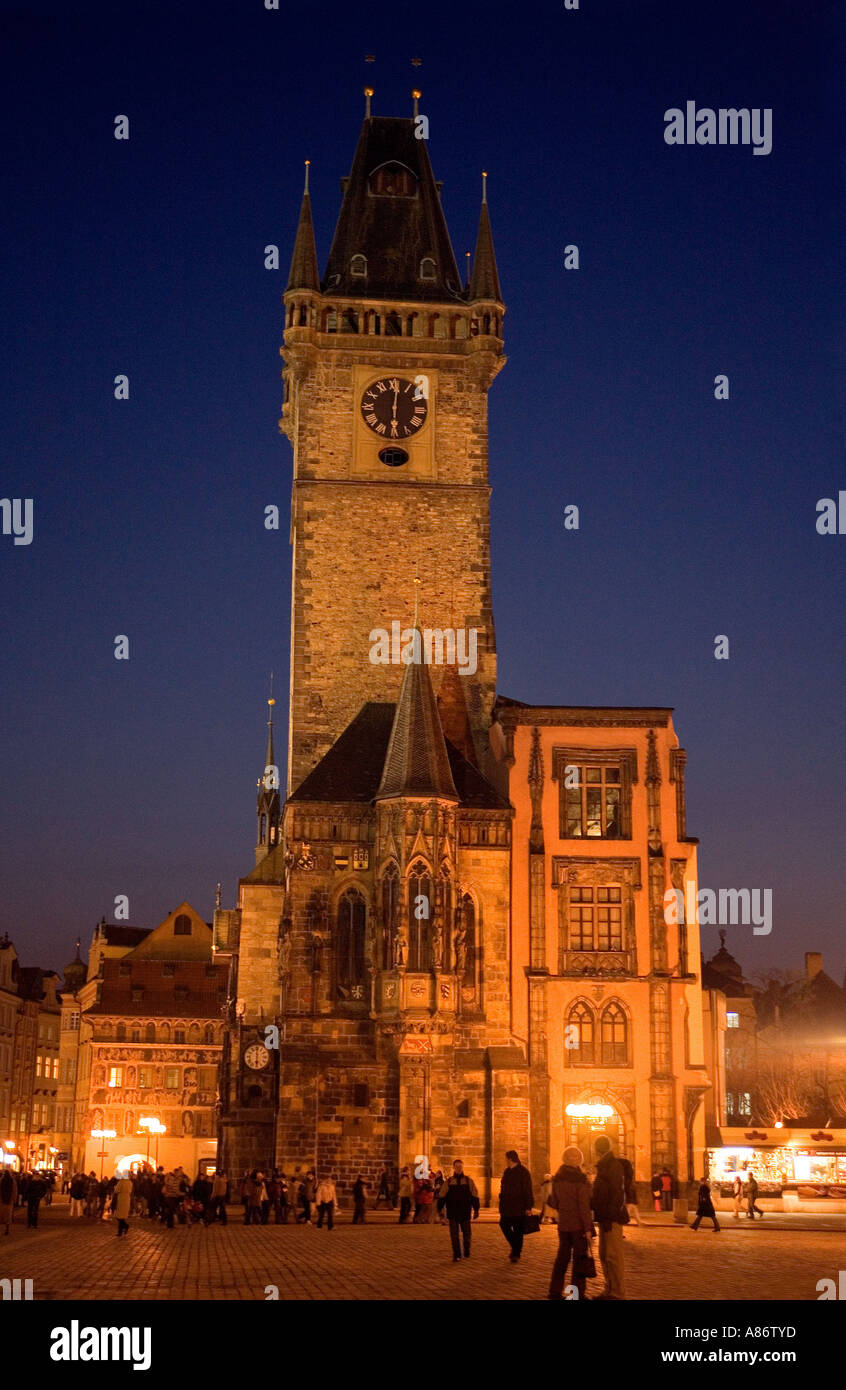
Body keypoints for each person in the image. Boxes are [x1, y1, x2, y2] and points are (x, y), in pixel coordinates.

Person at [547, 1146, 594, 1301]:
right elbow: (584, 1206)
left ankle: (554, 1292)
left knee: (562, 1259)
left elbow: (553, 1202)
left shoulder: (558, 1178)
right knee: (579, 1260)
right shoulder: (580, 1180)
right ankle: (577, 1294)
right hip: (578, 1226)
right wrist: (588, 1228)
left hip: (563, 1225)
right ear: (579, 1160)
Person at [591, 1136, 627, 1300]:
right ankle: (609, 1289)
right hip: (604, 1216)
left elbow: (617, 1193)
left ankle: (617, 1292)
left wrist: (611, 1215)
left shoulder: (612, 1165)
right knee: (604, 1254)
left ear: (596, 1149)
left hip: (611, 1217)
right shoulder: (604, 1165)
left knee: (613, 1256)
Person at [437, 1159, 479, 1262]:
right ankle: (456, 1254)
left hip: (465, 1212)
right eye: (457, 1166)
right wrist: (440, 1209)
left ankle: (466, 1250)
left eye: (460, 1166)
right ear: (454, 1168)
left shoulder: (469, 1181)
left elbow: (474, 1196)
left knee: (467, 1235)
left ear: (462, 1167)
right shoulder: (449, 1182)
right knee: (454, 1235)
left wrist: (476, 1210)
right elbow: (442, 1196)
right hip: (453, 1212)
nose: (459, 1168)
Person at [498, 1149, 534, 1262]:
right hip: (507, 1206)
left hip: (519, 1206)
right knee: (504, 1225)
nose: (505, 1161)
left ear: (510, 1159)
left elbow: (528, 1190)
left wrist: (528, 1207)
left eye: (506, 1159)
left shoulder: (523, 1172)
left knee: (518, 1231)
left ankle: (516, 1254)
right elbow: (503, 1187)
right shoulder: (507, 1172)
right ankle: (515, 1247)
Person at [620, 1155, 642, 1226]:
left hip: (629, 1191)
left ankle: (624, 1221)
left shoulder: (625, 1173)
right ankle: (639, 1221)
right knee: (632, 1206)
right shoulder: (629, 1172)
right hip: (630, 1190)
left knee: (630, 1206)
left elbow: (627, 1183)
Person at [113, 1172, 133, 1237]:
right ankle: (120, 1231)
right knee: (122, 1216)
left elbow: (116, 1190)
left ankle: (125, 1227)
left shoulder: (121, 1182)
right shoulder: (130, 1182)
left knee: (119, 1216)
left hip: (121, 1198)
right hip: (127, 1198)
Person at [0, 1170, 17, 1235]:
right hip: (9, 1201)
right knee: (8, 1215)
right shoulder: (12, 1181)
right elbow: (15, 1190)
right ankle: (7, 1228)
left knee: (1, 1214)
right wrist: (14, 1199)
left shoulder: (1, 1180)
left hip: (1, 1200)